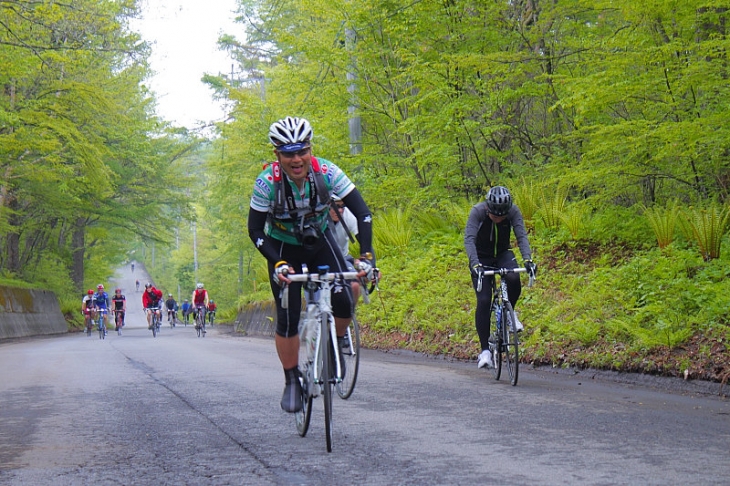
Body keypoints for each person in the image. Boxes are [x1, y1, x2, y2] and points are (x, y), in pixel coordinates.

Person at [248, 116, 375, 413]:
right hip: (282, 249)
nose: (296, 159)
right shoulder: (267, 183)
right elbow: (254, 230)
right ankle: (292, 379)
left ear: (310, 149)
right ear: (277, 155)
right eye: (288, 153)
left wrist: (367, 256)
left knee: (344, 299)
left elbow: (363, 213)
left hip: (320, 242)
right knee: (289, 316)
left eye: (301, 151)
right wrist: (277, 262)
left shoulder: (327, 172)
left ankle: (334, 344)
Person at [464, 186, 537, 369]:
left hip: (503, 253)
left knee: (513, 278)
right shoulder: (478, 212)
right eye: (495, 216)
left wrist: (528, 259)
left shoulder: (512, 211)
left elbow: (521, 236)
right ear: (488, 208)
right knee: (484, 299)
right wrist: (475, 264)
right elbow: (469, 239)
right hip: (481, 257)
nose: (498, 220)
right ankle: (485, 351)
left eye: (502, 217)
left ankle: (508, 312)